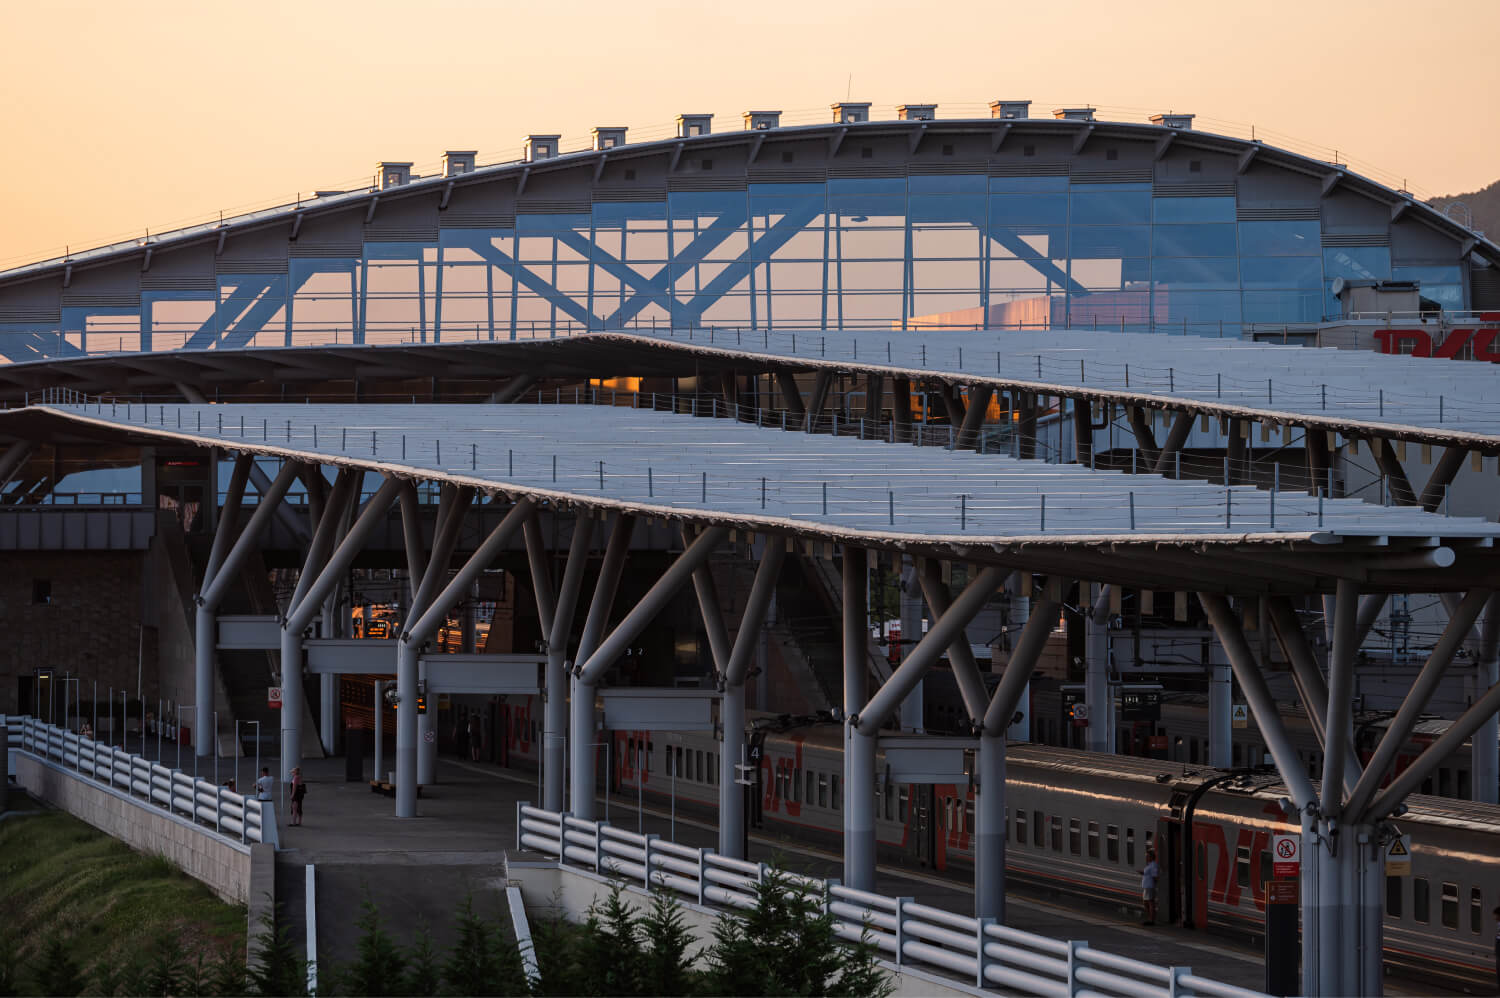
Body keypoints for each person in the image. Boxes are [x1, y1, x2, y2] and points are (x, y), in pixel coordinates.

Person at [1140, 849, 1161, 926]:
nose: (1146, 857)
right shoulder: (1149, 865)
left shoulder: (1153, 865)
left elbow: (1155, 877)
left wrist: (1154, 885)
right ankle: (1150, 918)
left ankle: (1151, 920)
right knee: (1146, 903)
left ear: (1151, 857)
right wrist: (1142, 872)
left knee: (1150, 903)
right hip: (1146, 886)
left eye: (1147, 856)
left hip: (1150, 886)